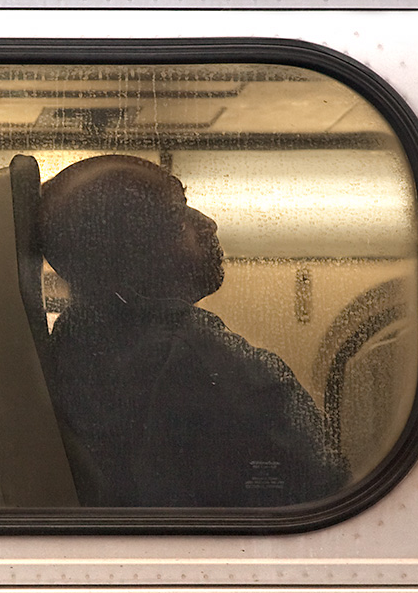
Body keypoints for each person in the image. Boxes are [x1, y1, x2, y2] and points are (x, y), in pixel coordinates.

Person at [38, 155, 349, 507]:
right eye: (176, 218)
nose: (207, 223)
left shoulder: (74, 338)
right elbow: (324, 488)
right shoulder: (199, 357)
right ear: (133, 252)